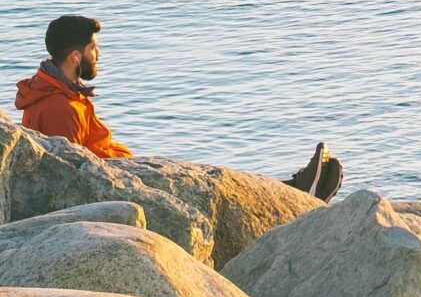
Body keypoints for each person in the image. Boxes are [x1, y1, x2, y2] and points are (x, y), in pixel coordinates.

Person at [17, 14, 342, 199]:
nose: (97, 55)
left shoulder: (61, 94)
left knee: (212, 177)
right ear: (75, 57)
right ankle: (298, 194)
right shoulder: (60, 108)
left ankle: (294, 188)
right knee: (210, 185)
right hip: (119, 185)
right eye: (93, 49)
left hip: (123, 170)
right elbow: (74, 180)